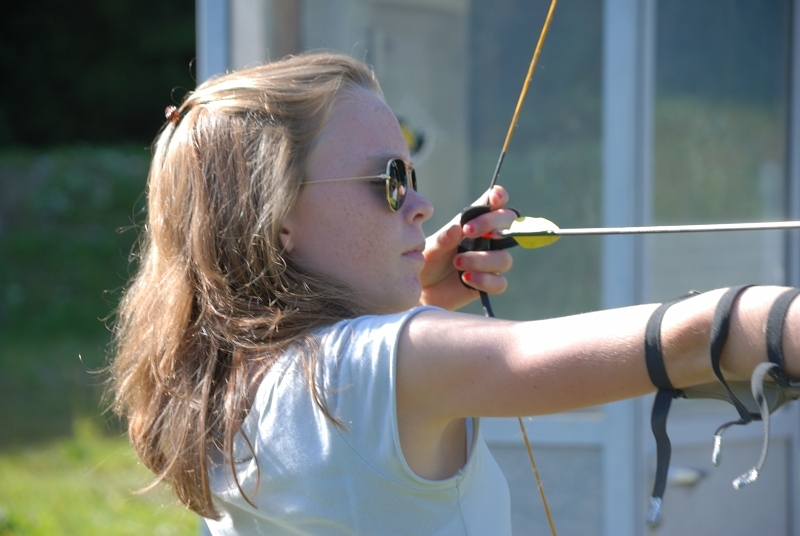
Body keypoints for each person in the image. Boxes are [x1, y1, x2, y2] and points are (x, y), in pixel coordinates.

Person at [110, 52, 800, 535]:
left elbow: (359, 450)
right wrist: (769, 323)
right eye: (388, 181)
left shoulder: (215, 385)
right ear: (278, 216)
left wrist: (417, 300)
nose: (420, 204)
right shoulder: (384, 368)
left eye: (411, 175)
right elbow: (690, 337)